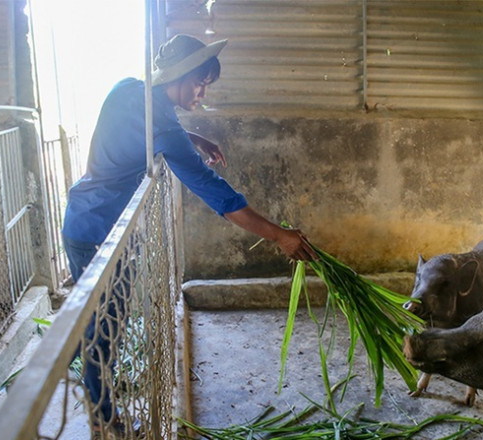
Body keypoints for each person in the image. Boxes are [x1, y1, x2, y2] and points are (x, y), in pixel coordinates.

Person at [62, 34, 317, 437]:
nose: (202, 92)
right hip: (99, 231)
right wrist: (278, 235)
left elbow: (147, 128)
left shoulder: (130, 90)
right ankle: (104, 416)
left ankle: (87, 371)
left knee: (107, 319)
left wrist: (192, 138)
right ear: (178, 75)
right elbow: (217, 193)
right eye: (199, 82)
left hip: (88, 219)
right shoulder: (160, 121)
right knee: (103, 329)